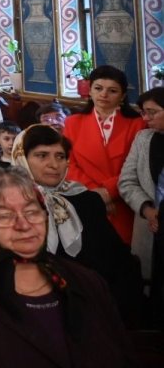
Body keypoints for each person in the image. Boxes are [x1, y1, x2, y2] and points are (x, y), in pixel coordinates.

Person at [0, 166, 133, 368]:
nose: (24, 225)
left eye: (32, 212)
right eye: (5, 216)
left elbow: (122, 357)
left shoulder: (86, 281)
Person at [14, 123, 141, 324]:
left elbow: (115, 259)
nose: (53, 164)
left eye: (60, 156)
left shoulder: (86, 200)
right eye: (42, 155)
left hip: (89, 304)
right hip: (29, 307)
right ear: (21, 158)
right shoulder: (11, 205)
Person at [63, 65, 145, 245]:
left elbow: (139, 166)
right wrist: (96, 195)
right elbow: (68, 164)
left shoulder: (137, 124)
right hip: (86, 199)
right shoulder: (72, 123)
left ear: (123, 96)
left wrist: (108, 192)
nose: (104, 95)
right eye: (98, 88)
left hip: (124, 201)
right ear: (90, 91)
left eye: (112, 90)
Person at [120, 87, 164, 322]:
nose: (145, 119)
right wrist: (148, 210)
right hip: (150, 227)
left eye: (152, 112)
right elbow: (126, 181)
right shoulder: (144, 139)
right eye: (143, 112)